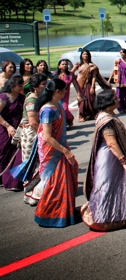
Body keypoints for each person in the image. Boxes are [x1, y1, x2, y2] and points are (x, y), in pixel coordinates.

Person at [81, 90, 126, 231]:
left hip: (110, 156)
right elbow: (111, 142)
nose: (118, 100)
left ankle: (116, 216)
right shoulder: (107, 120)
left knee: (115, 186)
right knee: (107, 187)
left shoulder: (106, 114)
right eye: (114, 98)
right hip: (109, 158)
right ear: (107, 103)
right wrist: (123, 161)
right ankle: (103, 219)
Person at [33, 78, 79, 227]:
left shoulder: (57, 105)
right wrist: (65, 151)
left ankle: (65, 212)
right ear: (57, 91)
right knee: (55, 183)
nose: (66, 92)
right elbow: (47, 136)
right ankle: (48, 214)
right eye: (65, 90)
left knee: (67, 178)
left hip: (60, 146)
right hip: (52, 151)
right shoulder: (47, 110)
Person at [11, 74, 46, 204]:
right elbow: (33, 122)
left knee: (39, 163)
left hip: (38, 132)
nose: (45, 85)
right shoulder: (31, 100)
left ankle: (39, 192)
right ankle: (31, 195)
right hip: (32, 135)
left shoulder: (40, 97)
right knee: (32, 162)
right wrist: (44, 136)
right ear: (35, 86)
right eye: (43, 84)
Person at [0, 76, 25, 191]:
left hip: (17, 130)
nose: (22, 87)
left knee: (15, 155)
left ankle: (10, 180)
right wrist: (8, 126)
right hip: (4, 129)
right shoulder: (4, 97)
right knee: (3, 153)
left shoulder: (21, 98)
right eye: (19, 86)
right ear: (13, 86)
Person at [72, 49, 110, 122]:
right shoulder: (78, 65)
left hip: (89, 84)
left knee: (91, 99)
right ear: (81, 56)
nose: (85, 56)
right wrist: (75, 78)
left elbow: (93, 77)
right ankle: (81, 115)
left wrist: (92, 87)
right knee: (81, 100)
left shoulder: (92, 65)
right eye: (84, 54)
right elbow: (71, 73)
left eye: (87, 54)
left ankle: (91, 114)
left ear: (89, 56)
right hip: (80, 85)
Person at [109, 48, 126, 113]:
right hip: (120, 80)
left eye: (123, 52)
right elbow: (114, 71)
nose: (122, 54)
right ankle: (120, 108)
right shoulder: (117, 61)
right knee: (119, 95)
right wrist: (110, 80)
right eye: (121, 53)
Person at [54, 60, 76, 127]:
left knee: (65, 109)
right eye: (63, 64)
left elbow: (76, 84)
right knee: (58, 110)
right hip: (56, 95)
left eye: (66, 64)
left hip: (65, 95)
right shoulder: (55, 74)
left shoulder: (70, 75)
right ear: (59, 66)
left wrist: (79, 93)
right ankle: (61, 123)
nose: (64, 65)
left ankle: (70, 119)